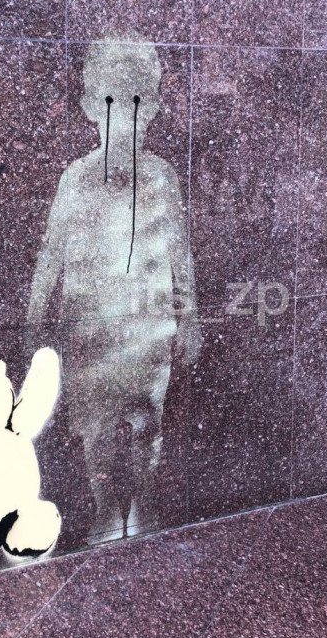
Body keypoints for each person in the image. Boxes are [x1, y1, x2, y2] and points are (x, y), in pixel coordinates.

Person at [27, 34, 200, 541]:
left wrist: (189, 317)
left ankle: (140, 505)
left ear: (155, 108)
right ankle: (106, 511)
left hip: (148, 324)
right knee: (95, 427)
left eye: (138, 102)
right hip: (91, 327)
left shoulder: (162, 177)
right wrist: (34, 320)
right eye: (112, 101)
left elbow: (179, 252)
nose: (126, 116)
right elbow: (51, 253)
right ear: (89, 106)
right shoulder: (77, 178)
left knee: (148, 422)